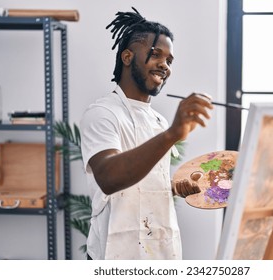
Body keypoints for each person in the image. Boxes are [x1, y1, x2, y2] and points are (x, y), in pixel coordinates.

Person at [80, 7, 213, 260]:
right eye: (156, 54)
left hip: (159, 252)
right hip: (114, 255)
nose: (164, 65)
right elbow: (109, 179)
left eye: (169, 60)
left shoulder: (158, 120)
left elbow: (146, 180)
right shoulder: (101, 113)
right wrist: (172, 134)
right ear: (127, 57)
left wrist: (172, 187)